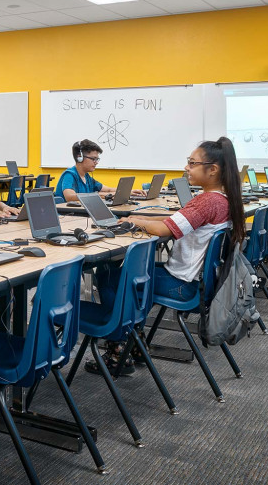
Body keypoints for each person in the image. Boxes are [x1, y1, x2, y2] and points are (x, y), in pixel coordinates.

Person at [90, 137, 245, 375]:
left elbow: (165, 230)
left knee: (109, 274)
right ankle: (135, 341)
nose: (186, 167)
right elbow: (171, 221)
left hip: (182, 286)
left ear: (212, 170)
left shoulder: (207, 202)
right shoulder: (222, 199)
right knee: (132, 275)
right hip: (198, 282)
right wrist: (138, 219)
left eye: (192, 163)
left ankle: (118, 348)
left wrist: (134, 222)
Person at [56, 139, 145, 203]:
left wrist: (130, 191)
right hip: (68, 216)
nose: (96, 163)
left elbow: (108, 189)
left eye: (97, 159)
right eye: (93, 159)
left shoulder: (87, 177)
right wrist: (100, 195)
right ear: (80, 157)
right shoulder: (69, 175)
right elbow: (70, 197)